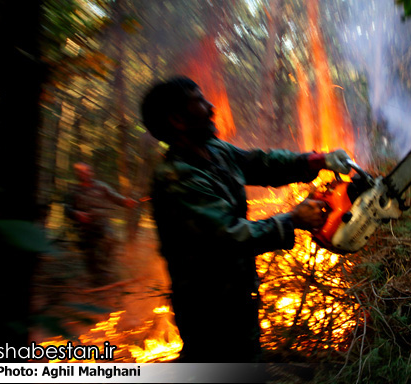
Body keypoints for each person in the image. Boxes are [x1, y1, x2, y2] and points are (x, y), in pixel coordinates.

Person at [140, 76, 352, 362]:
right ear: (177, 120)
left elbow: (262, 164)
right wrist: (292, 220)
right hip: (208, 310)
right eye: (199, 101)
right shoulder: (176, 178)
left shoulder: (216, 151)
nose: (211, 107)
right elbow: (229, 237)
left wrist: (315, 161)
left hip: (237, 298)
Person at [66, 162, 137, 286]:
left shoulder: (101, 186)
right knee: (89, 251)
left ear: (91, 172)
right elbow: (67, 209)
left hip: (102, 222)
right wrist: (77, 214)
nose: (85, 174)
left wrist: (126, 201)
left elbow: (114, 197)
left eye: (87, 171)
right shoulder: (73, 190)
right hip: (84, 225)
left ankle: (107, 272)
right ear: (77, 174)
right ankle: (95, 277)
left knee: (109, 240)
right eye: (81, 172)